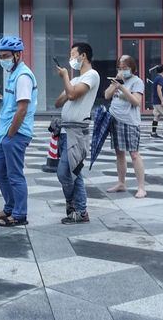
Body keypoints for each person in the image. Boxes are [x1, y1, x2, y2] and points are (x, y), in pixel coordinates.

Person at [0, 36, 37, 227]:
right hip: (7, 133)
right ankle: (10, 207)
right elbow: (15, 103)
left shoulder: (23, 76)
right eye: (0, 56)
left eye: (6, 56)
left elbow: (23, 108)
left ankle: (19, 215)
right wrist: (1, 99)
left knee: (15, 174)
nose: (2, 60)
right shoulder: (13, 74)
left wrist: (11, 134)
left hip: (15, 134)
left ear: (17, 55)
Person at [54, 42, 100, 224]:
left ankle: (79, 209)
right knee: (71, 172)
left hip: (77, 133)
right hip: (65, 132)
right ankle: (75, 208)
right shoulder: (74, 80)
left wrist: (66, 78)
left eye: (73, 55)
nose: (71, 59)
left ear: (83, 56)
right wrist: (68, 84)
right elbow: (59, 102)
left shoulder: (92, 75)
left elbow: (72, 95)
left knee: (68, 172)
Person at [105, 55, 146, 198]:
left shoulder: (137, 82)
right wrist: (115, 83)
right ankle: (121, 183)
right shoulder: (117, 80)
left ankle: (141, 187)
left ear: (132, 68)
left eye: (125, 68)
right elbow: (106, 96)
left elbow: (136, 101)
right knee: (119, 153)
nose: (123, 71)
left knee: (134, 154)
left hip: (130, 121)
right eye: (120, 68)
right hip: (115, 119)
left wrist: (122, 87)